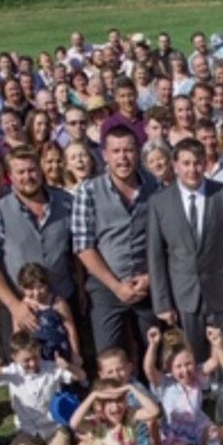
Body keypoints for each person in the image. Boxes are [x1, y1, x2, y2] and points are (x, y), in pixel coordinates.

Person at [148, 139, 223, 362]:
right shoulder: (159, 203)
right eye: (186, 163)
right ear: (175, 165)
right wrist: (162, 302)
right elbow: (156, 256)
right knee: (189, 360)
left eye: (197, 163)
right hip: (184, 297)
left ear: (206, 164)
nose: (192, 170)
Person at [0, 147, 76, 371]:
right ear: (10, 175)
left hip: (62, 299)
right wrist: (14, 305)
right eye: (20, 172)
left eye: (32, 170)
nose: (27, 177)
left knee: (68, 365)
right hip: (22, 305)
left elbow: (76, 250)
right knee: (28, 369)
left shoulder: (67, 203)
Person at [73, 127, 161, 358]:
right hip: (106, 286)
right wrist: (115, 286)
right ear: (105, 155)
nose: (123, 158)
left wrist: (150, 278)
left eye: (129, 150)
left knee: (155, 352)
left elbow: (167, 239)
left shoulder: (156, 187)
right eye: (116, 151)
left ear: (138, 152)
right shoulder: (88, 191)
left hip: (147, 285)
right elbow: (83, 246)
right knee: (110, 356)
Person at [0, 331, 84, 445]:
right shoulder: (12, 372)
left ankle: (65, 435)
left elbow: (81, 376)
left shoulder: (51, 368)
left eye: (35, 357)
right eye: (26, 360)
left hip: (53, 427)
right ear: (14, 357)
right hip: (28, 429)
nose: (32, 363)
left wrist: (68, 367)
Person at [141, 327, 223, 445]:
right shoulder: (165, 382)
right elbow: (148, 369)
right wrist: (153, 345)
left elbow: (214, 362)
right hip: (176, 433)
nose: (185, 370)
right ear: (169, 367)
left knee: (216, 436)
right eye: (178, 367)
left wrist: (215, 342)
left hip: (199, 426)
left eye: (188, 364)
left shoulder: (197, 374)